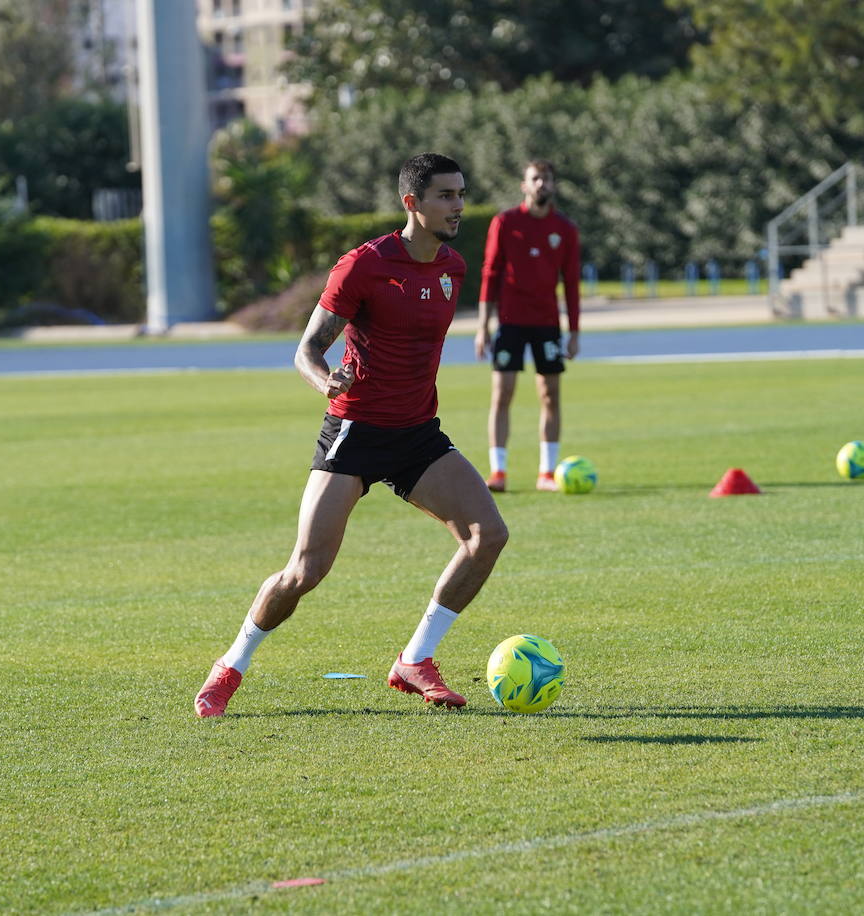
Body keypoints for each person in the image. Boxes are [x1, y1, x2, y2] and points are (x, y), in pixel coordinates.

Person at [194, 152, 509, 718]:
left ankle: (416, 660)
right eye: (445, 195)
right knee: (305, 570)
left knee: (488, 535)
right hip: (355, 432)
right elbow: (306, 350)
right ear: (412, 202)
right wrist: (325, 381)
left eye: (462, 193)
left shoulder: (452, 268)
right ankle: (229, 667)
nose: (459, 205)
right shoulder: (363, 265)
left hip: (417, 435)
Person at [474, 159, 582, 492]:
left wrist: (574, 331)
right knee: (502, 393)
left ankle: (547, 473)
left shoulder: (564, 229)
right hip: (510, 323)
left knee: (549, 395)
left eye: (547, 179)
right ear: (525, 185)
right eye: (535, 179)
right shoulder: (505, 223)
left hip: (547, 324)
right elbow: (490, 274)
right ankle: (499, 472)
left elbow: (572, 283)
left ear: (553, 185)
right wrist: (483, 327)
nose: (541, 185)